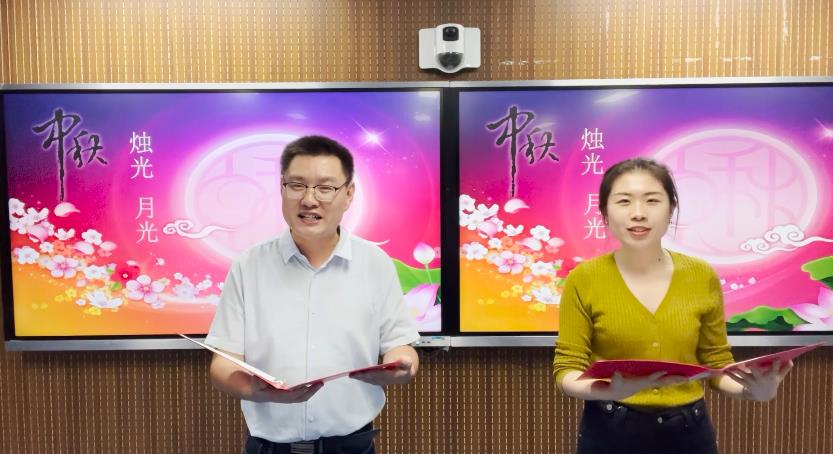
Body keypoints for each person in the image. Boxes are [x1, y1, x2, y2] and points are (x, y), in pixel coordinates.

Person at [552, 157, 793, 454]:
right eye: (624, 201)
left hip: (689, 430)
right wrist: (606, 389)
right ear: (604, 212)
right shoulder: (583, 278)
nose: (638, 213)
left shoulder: (701, 275)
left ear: (671, 209)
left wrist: (752, 391)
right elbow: (567, 369)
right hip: (609, 426)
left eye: (652, 200)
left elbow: (716, 363)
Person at [206, 135, 420, 454]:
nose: (309, 200)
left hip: (352, 447)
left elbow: (400, 345)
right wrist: (256, 390)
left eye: (325, 188)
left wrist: (402, 366)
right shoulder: (249, 265)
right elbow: (222, 366)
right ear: (282, 188)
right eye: (297, 185)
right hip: (269, 448)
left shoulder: (375, 263)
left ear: (348, 194)